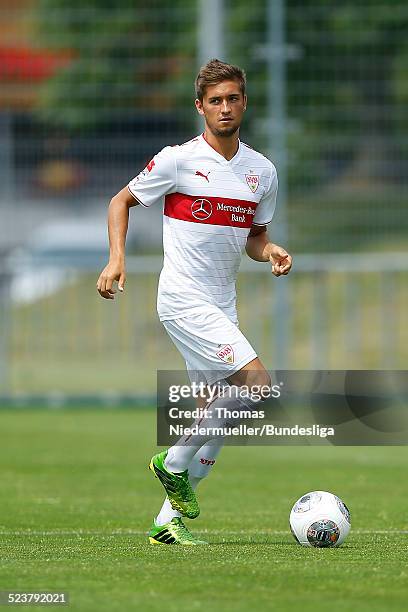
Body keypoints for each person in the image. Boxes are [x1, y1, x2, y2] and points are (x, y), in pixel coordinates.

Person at [97, 59, 292, 545]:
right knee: (257, 385)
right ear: (199, 107)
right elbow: (119, 201)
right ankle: (173, 462)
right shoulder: (177, 160)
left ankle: (166, 522)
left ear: (244, 102)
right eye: (215, 101)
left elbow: (254, 236)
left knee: (221, 415)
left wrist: (270, 250)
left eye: (232, 99)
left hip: (222, 303)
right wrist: (116, 259)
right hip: (183, 298)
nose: (224, 108)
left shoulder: (261, 171)